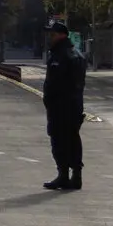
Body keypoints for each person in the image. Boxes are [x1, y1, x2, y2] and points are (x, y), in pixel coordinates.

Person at [42, 18, 86, 190]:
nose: (49, 38)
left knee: (59, 141)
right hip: (74, 105)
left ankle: (64, 175)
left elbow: (57, 83)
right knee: (73, 139)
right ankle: (76, 176)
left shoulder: (61, 56)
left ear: (61, 35)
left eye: (52, 34)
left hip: (61, 107)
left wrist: (50, 101)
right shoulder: (77, 54)